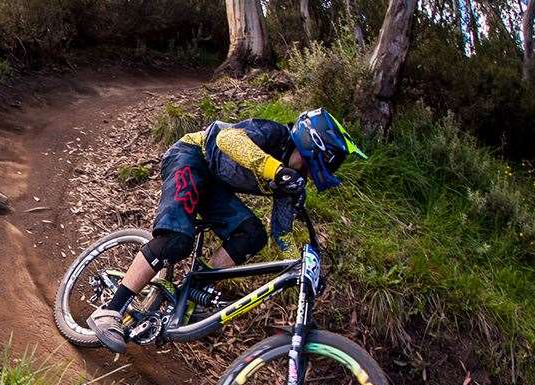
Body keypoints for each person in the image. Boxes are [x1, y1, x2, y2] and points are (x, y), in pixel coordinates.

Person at [87, 107, 366, 353]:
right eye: (321, 161)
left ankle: (189, 292)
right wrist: (277, 170)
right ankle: (111, 310)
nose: (309, 173)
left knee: (253, 234)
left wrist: (299, 264)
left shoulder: (291, 180)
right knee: (176, 241)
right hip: (191, 156)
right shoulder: (273, 133)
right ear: (312, 145)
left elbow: (281, 232)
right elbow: (227, 139)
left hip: (214, 187)